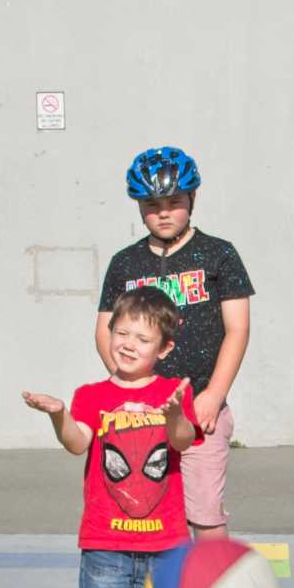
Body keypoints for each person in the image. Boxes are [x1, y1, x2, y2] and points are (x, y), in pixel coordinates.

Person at [24, 288, 206, 588]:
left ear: (163, 348)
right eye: (120, 332)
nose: (127, 343)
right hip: (106, 543)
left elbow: (184, 440)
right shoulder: (92, 396)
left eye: (141, 337)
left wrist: (171, 417)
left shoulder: (174, 393)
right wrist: (59, 414)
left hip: (165, 542)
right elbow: (77, 443)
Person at [97, 147, 254, 548]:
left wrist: (214, 395)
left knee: (203, 514)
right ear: (138, 207)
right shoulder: (125, 264)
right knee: (145, 511)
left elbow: (237, 330)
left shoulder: (220, 255)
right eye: (152, 205)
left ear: (192, 200)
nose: (163, 213)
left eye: (174, 203)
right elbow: (105, 331)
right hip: (141, 411)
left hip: (199, 407)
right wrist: (129, 388)